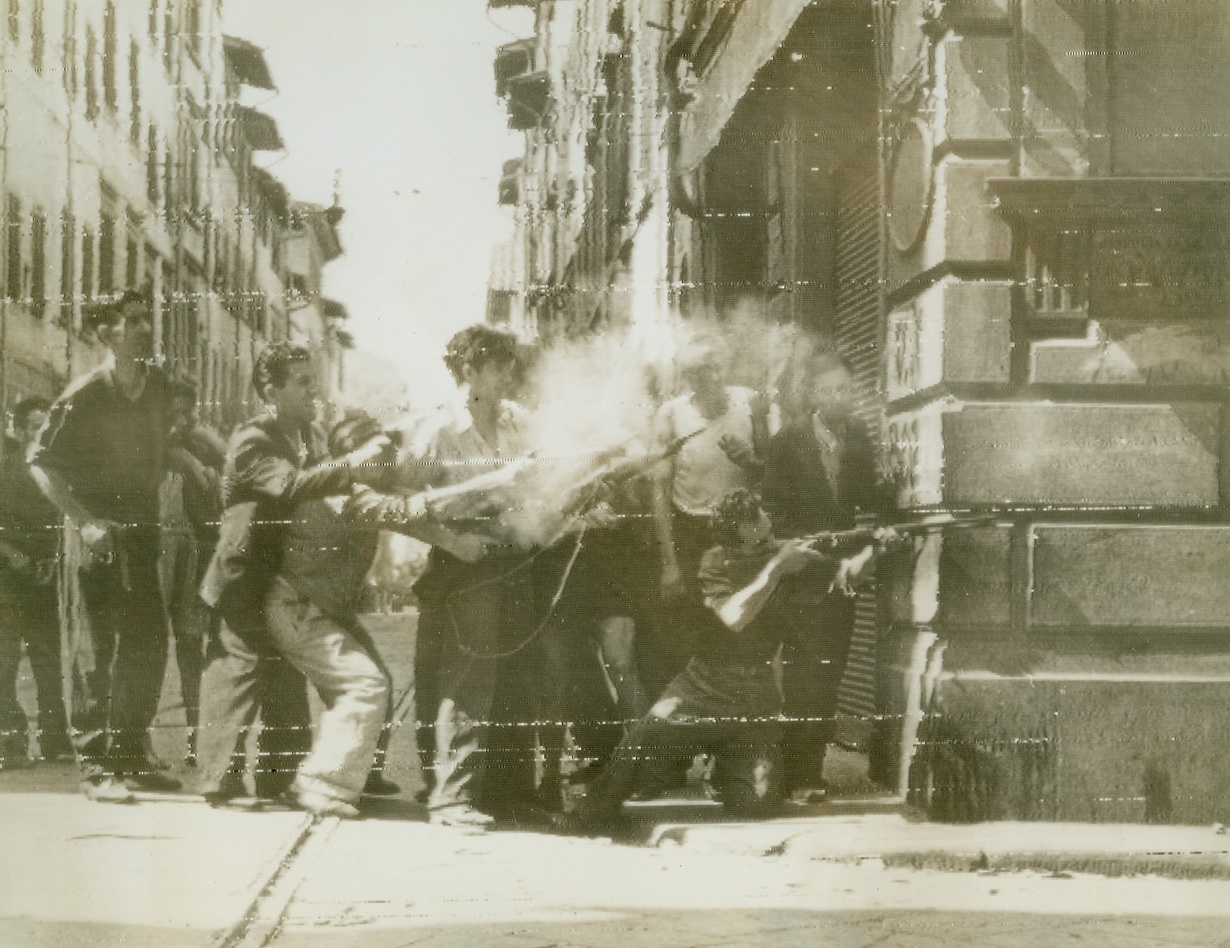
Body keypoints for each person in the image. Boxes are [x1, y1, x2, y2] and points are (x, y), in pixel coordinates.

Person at [556, 489, 887, 833]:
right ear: (744, 529)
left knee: (757, 803)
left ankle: (727, 772)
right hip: (701, 688)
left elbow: (848, 575)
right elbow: (734, 616)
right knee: (642, 740)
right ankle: (589, 813)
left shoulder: (786, 558)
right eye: (759, 516)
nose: (767, 520)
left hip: (755, 697)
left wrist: (877, 548)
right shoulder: (715, 561)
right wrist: (776, 570)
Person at [196, 343, 390, 810]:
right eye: (301, 381)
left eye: (312, 378)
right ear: (270, 389)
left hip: (285, 576)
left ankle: (307, 778)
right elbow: (290, 486)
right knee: (238, 673)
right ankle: (216, 782)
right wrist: (353, 463)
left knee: (305, 677)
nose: (313, 388)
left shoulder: (304, 435)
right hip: (244, 576)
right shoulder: (253, 439)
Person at [29, 291, 183, 802]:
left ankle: (132, 754)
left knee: (147, 642)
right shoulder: (84, 394)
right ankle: (97, 766)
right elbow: (41, 463)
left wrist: (186, 474)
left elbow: (166, 444)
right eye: (132, 321)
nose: (145, 327)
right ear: (106, 334)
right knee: (97, 650)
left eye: (146, 318)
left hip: (141, 530)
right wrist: (84, 520)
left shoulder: (158, 387)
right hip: (95, 532)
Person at [259, 408, 446, 818]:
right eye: (380, 456)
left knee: (380, 678)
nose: (389, 461)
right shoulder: (350, 496)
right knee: (366, 686)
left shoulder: (347, 483)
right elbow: (407, 512)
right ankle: (319, 784)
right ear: (357, 458)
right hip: (300, 610)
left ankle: (363, 773)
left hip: (320, 609)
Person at [397, 324, 540, 827]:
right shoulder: (436, 432)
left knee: (519, 680)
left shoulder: (519, 423)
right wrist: (455, 542)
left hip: (517, 564)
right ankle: (451, 797)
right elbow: (399, 507)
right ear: (470, 370)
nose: (508, 376)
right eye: (498, 366)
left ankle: (508, 793)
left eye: (510, 366)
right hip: (463, 569)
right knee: (469, 680)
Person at [760, 348, 886, 802]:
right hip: (801, 579)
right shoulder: (786, 442)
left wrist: (873, 537)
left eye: (847, 390)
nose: (842, 398)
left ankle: (809, 770)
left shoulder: (859, 439)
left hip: (845, 579)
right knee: (800, 678)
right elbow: (773, 515)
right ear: (814, 393)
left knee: (831, 673)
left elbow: (869, 498)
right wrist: (816, 548)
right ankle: (795, 774)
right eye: (832, 389)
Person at [648, 337, 768, 696]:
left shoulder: (751, 403)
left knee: (741, 633)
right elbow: (659, 492)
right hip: (691, 535)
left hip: (741, 536)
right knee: (691, 638)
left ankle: (735, 737)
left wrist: (749, 460)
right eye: (699, 372)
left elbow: (773, 475)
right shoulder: (671, 414)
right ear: (687, 378)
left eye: (715, 367)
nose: (710, 377)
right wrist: (669, 563)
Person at [0, 397, 73, 767]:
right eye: (32, 427)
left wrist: (54, 561)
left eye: (46, 428)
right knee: (4, 664)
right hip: (7, 582)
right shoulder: (4, 469)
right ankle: (9, 746)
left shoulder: (55, 473)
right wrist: (12, 554)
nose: (39, 435)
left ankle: (56, 742)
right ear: (17, 430)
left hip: (45, 578)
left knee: (48, 664)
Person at [156, 381, 225, 768]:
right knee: (163, 648)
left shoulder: (202, 448)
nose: (180, 422)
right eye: (173, 414)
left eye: (187, 413)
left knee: (202, 650)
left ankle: (202, 738)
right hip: (164, 557)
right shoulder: (156, 452)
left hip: (205, 555)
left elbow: (224, 487)